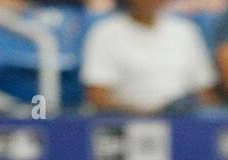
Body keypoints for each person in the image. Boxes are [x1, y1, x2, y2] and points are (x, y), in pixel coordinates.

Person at [81, 0, 217, 113]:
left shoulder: (186, 30)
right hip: (125, 121)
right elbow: (98, 95)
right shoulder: (105, 32)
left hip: (182, 121)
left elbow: (205, 91)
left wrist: (179, 109)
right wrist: (146, 112)